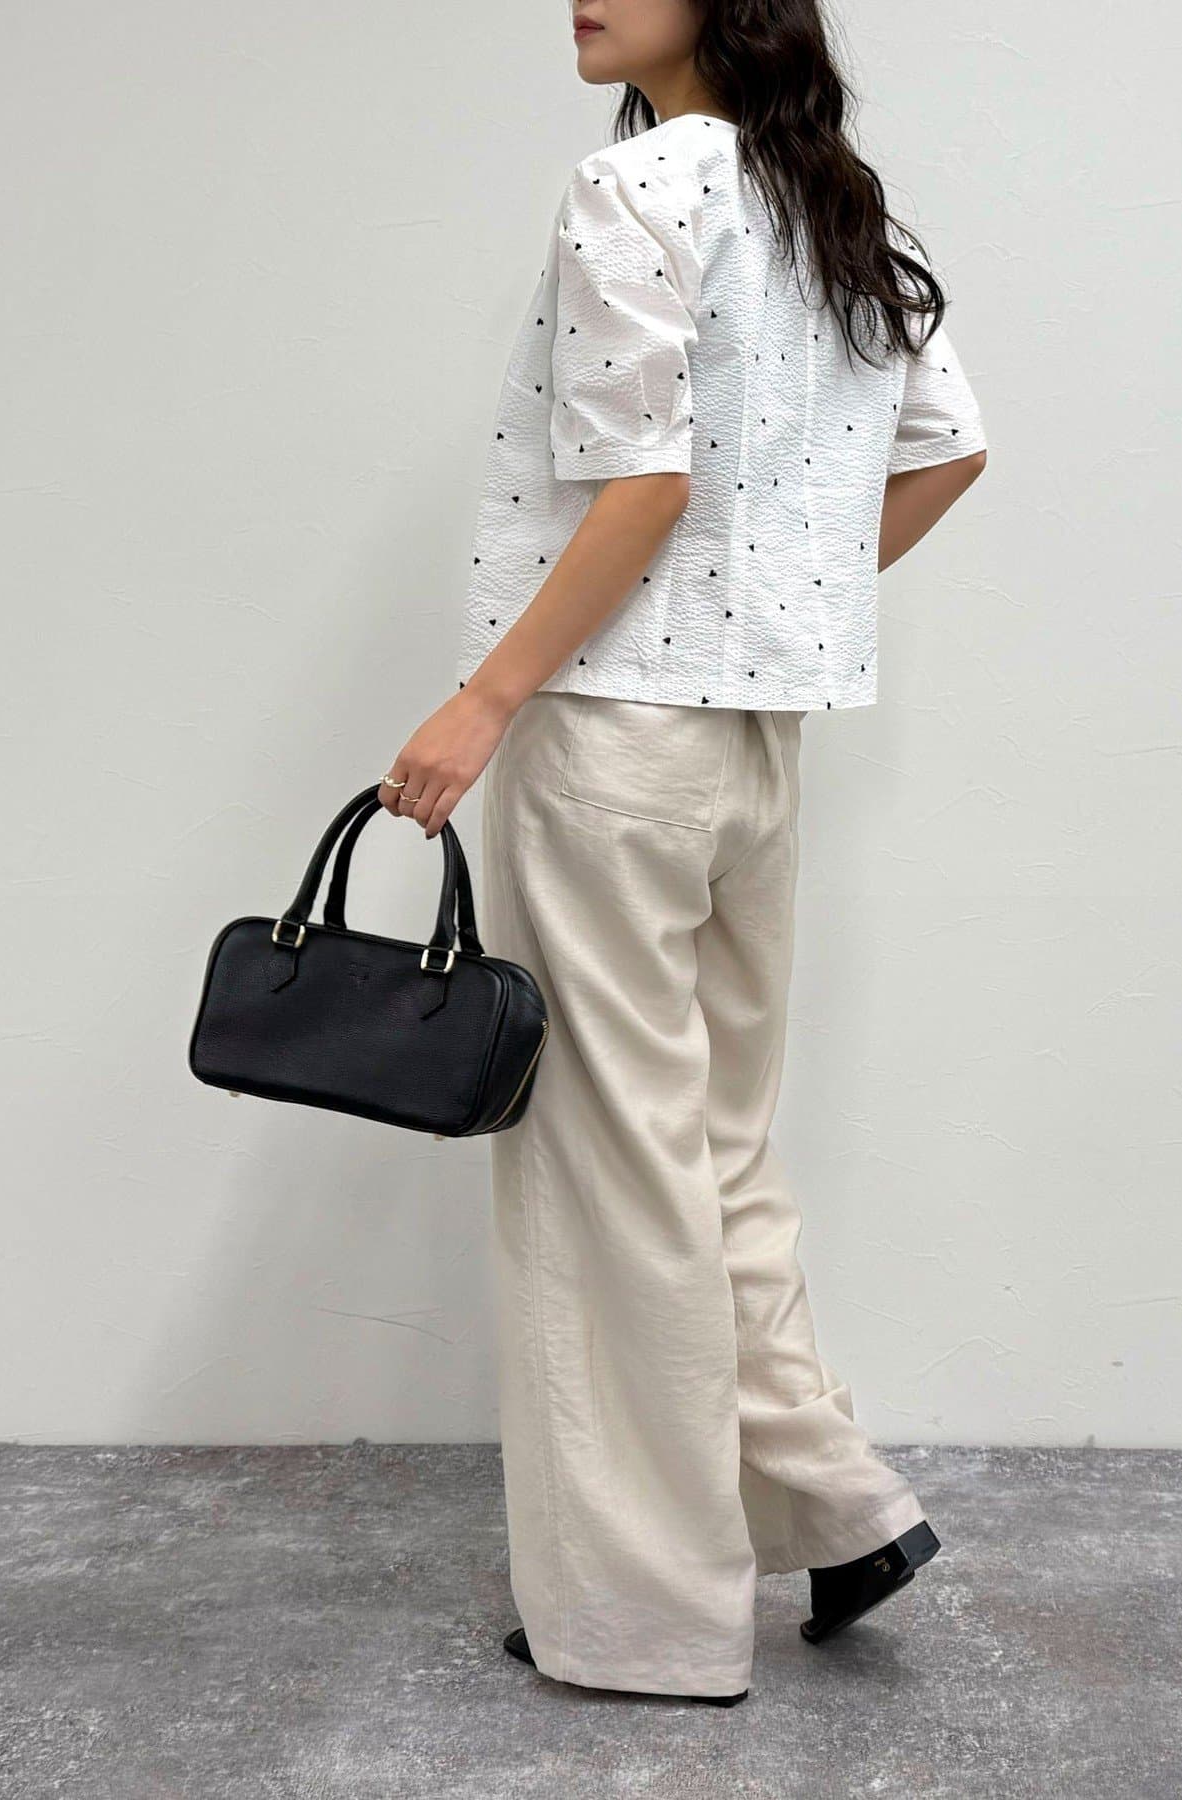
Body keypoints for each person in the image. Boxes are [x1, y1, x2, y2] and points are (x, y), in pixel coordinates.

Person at [377, 0, 987, 1706]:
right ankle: (834, 1503)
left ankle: (645, 1617)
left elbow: (640, 487)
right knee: (712, 1144)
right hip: (756, 746)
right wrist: (776, 607)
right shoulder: (831, 199)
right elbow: (951, 448)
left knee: (609, 1173)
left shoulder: (634, 189)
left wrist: (482, 702)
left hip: (613, 744)